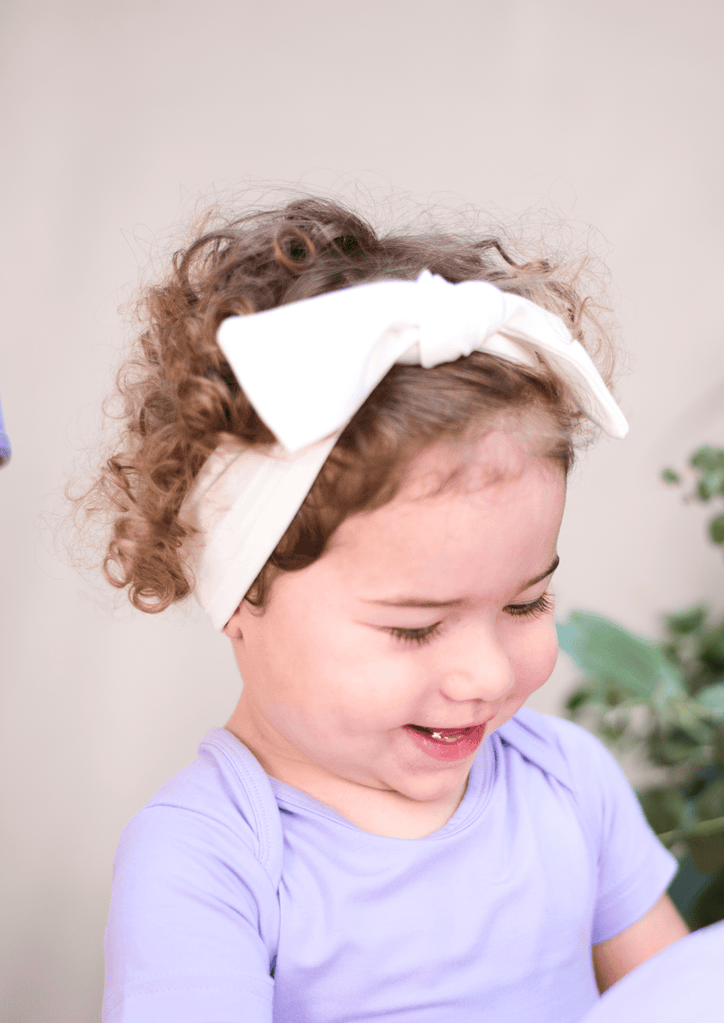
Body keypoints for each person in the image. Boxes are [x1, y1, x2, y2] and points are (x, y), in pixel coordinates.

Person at [76, 194, 689, 1023]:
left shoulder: (568, 784)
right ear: (240, 595)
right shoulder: (209, 860)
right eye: (415, 627)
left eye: (526, 601)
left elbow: (694, 997)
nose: (483, 673)